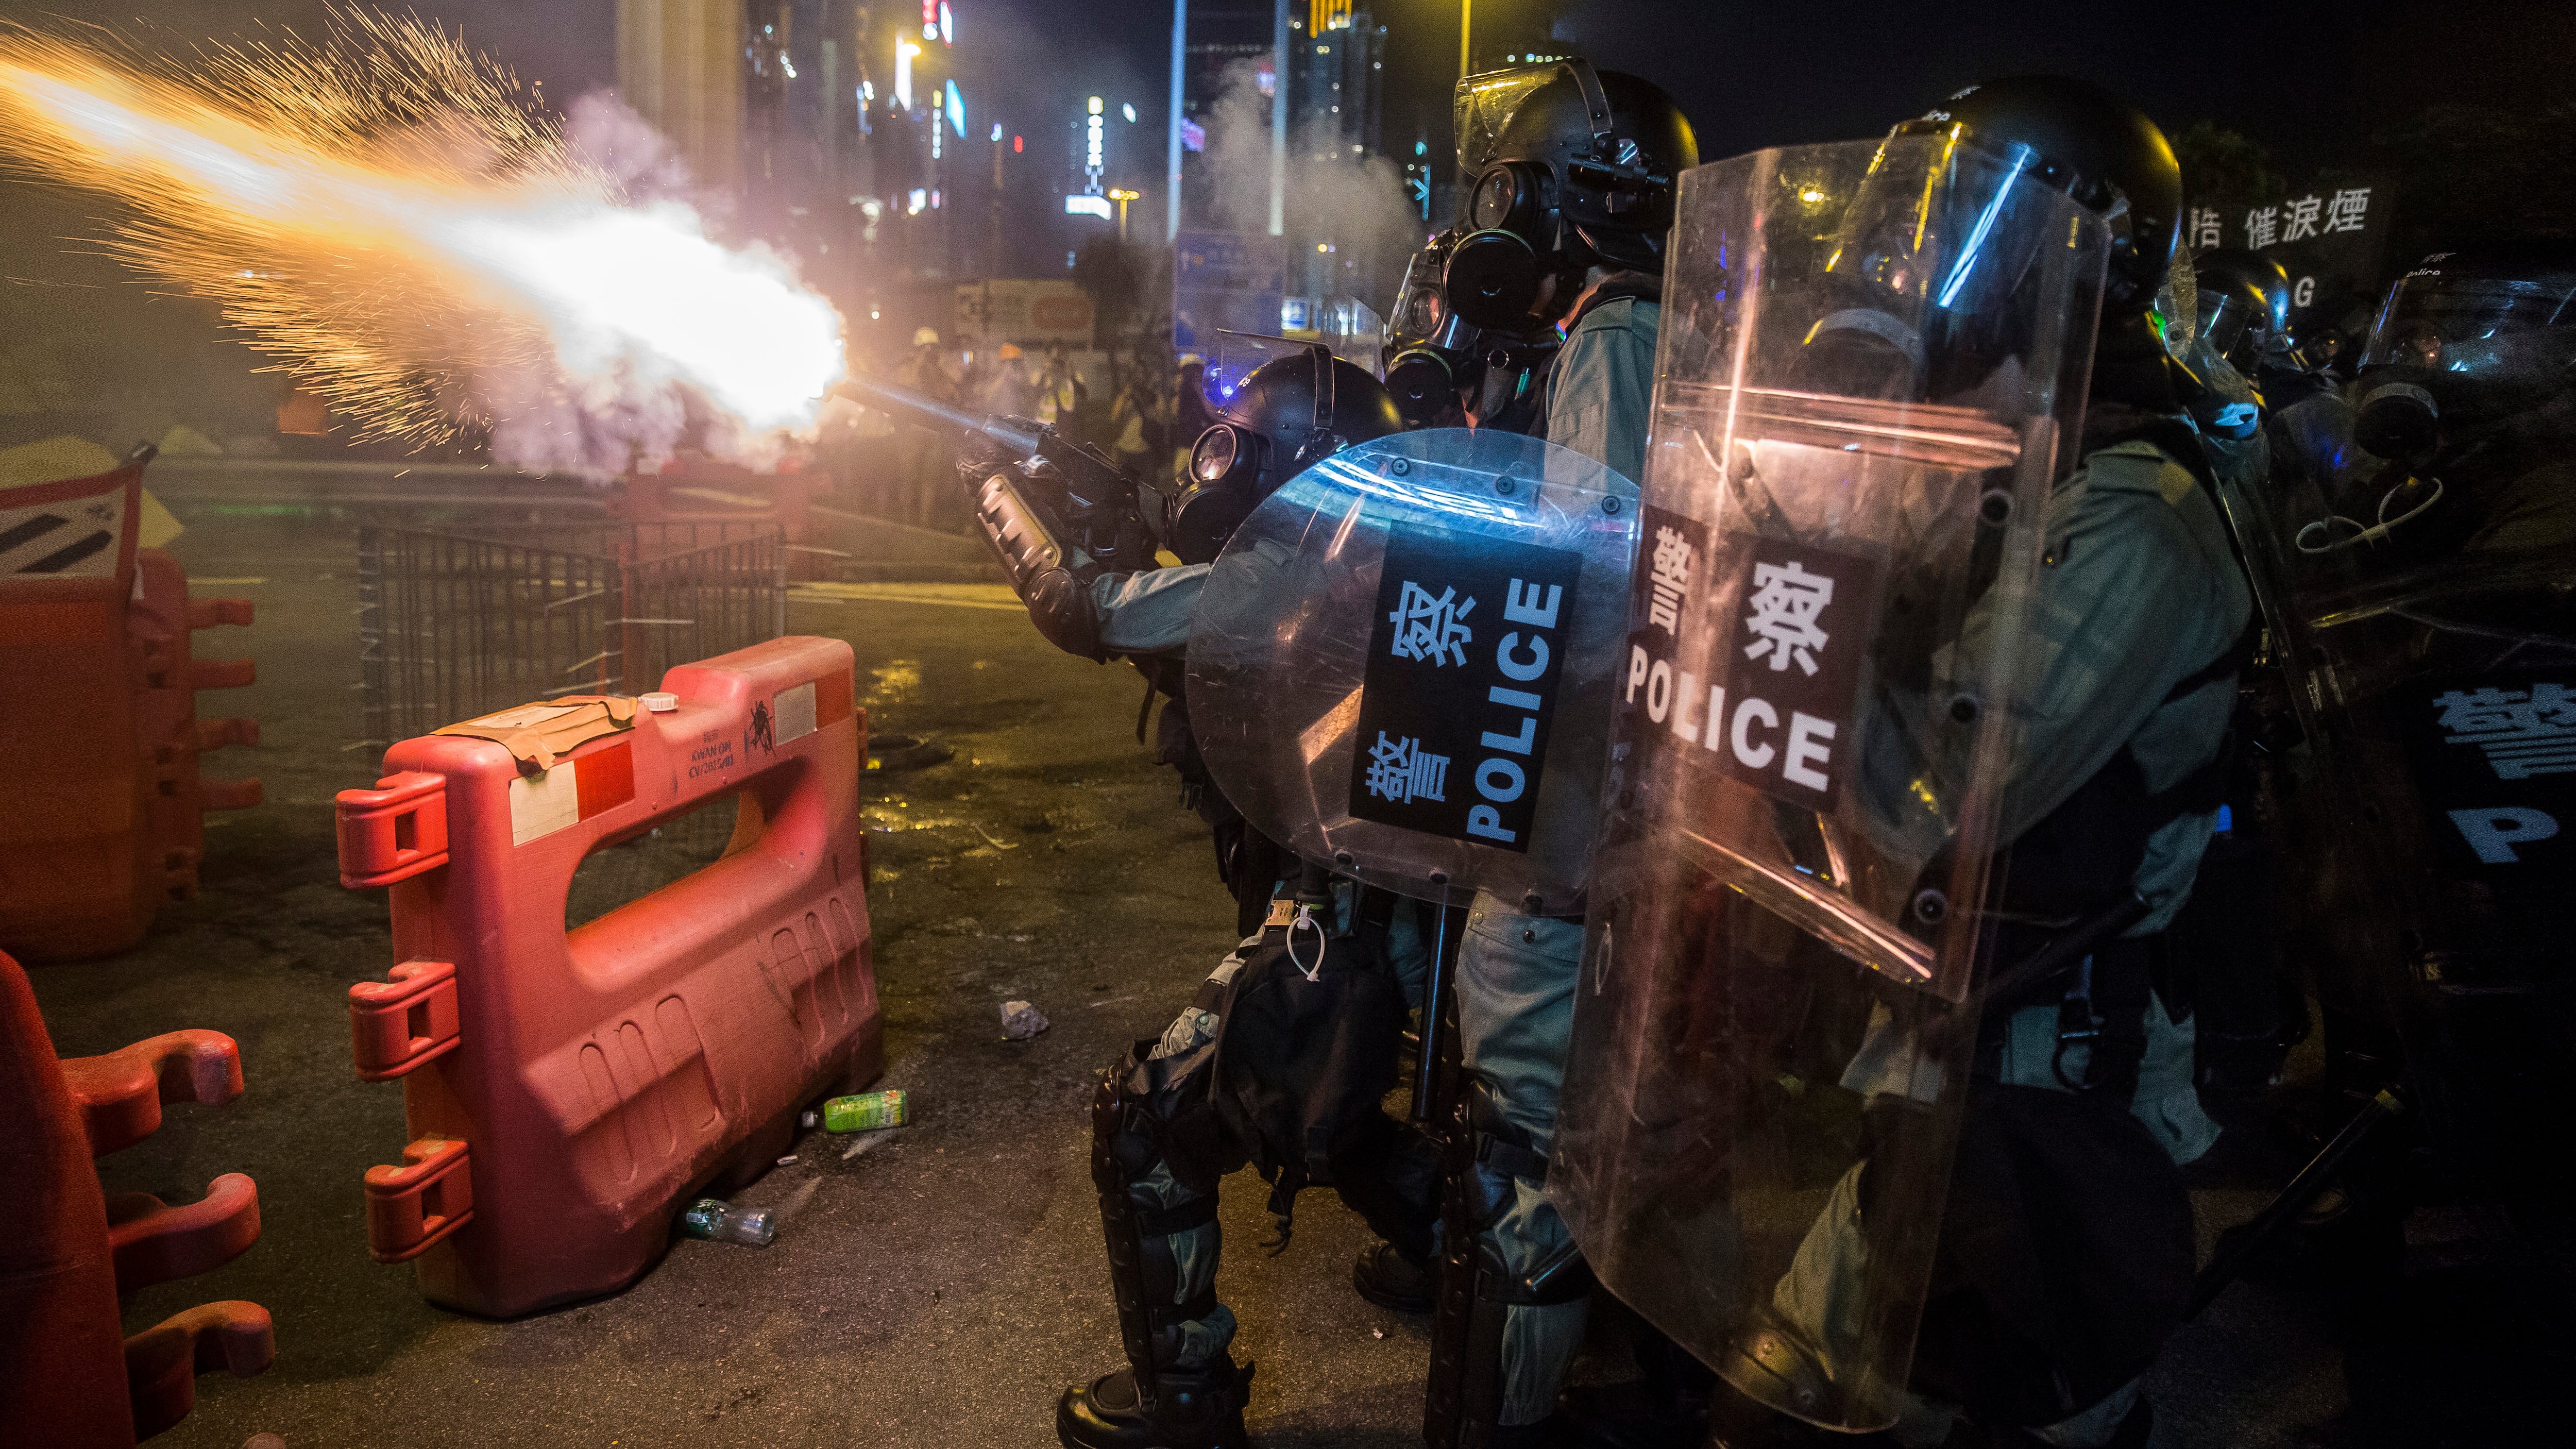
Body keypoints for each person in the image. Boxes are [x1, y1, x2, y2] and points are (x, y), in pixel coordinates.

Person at [1414, 58, 1699, 1449]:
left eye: (1517, 193)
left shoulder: (1615, 333)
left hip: (1575, 812)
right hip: (1594, 797)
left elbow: (1601, 570)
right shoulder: (1621, 327)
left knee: (1529, 1142)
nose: (1496, 224)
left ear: (1578, 206)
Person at [891, 327, 960, 525]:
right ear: (918, 349)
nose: (930, 352)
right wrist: (920, 364)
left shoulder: (939, 371)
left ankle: (924, 522)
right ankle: (907, 521)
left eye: (933, 348)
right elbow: (904, 384)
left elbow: (950, 395)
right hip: (911, 431)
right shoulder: (907, 367)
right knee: (908, 477)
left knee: (929, 480)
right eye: (926, 348)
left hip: (933, 432)